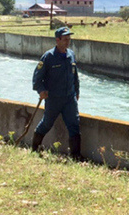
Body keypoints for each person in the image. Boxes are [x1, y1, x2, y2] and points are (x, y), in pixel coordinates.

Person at [31, 26, 82, 160]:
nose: (67, 41)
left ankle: (76, 155)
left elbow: (75, 75)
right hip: (53, 98)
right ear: (57, 40)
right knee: (46, 123)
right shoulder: (48, 57)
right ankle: (35, 148)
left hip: (69, 98)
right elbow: (37, 78)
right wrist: (41, 90)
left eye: (69, 39)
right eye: (65, 39)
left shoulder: (71, 55)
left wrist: (77, 91)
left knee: (74, 124)